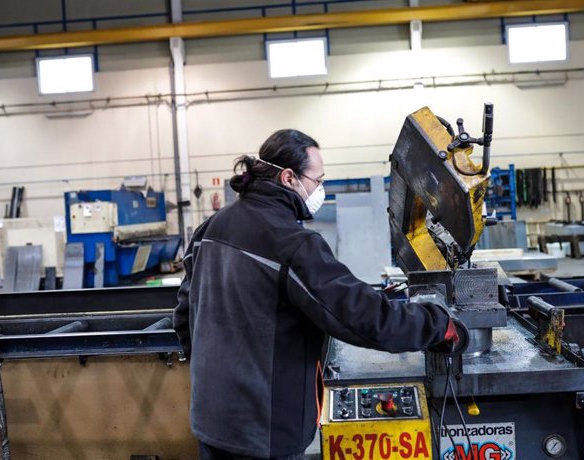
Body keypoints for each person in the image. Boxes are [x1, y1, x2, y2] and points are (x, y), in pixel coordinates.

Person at [173, 129, 464, 460]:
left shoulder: (211, 228)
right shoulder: (292, 244)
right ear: (288, 177)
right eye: (317, 180)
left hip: (211, 421)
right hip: (264, 433)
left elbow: (184, 314)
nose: (319, 189)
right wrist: (435, 325)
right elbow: (359, 315)